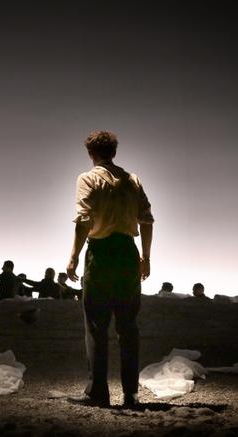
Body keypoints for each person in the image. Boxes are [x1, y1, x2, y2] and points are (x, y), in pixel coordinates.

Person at [66, 131, 154, 408]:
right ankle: (131, 393)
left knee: (96, 326)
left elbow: (84, 219)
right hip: (128, 252)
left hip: (101, 253)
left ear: (91, 153)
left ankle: (98, 392)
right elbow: (147, 220)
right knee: (128, 326)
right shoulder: (133, 180)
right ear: (114, 152)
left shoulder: (87, 178)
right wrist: (146, 257)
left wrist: (73, 256)